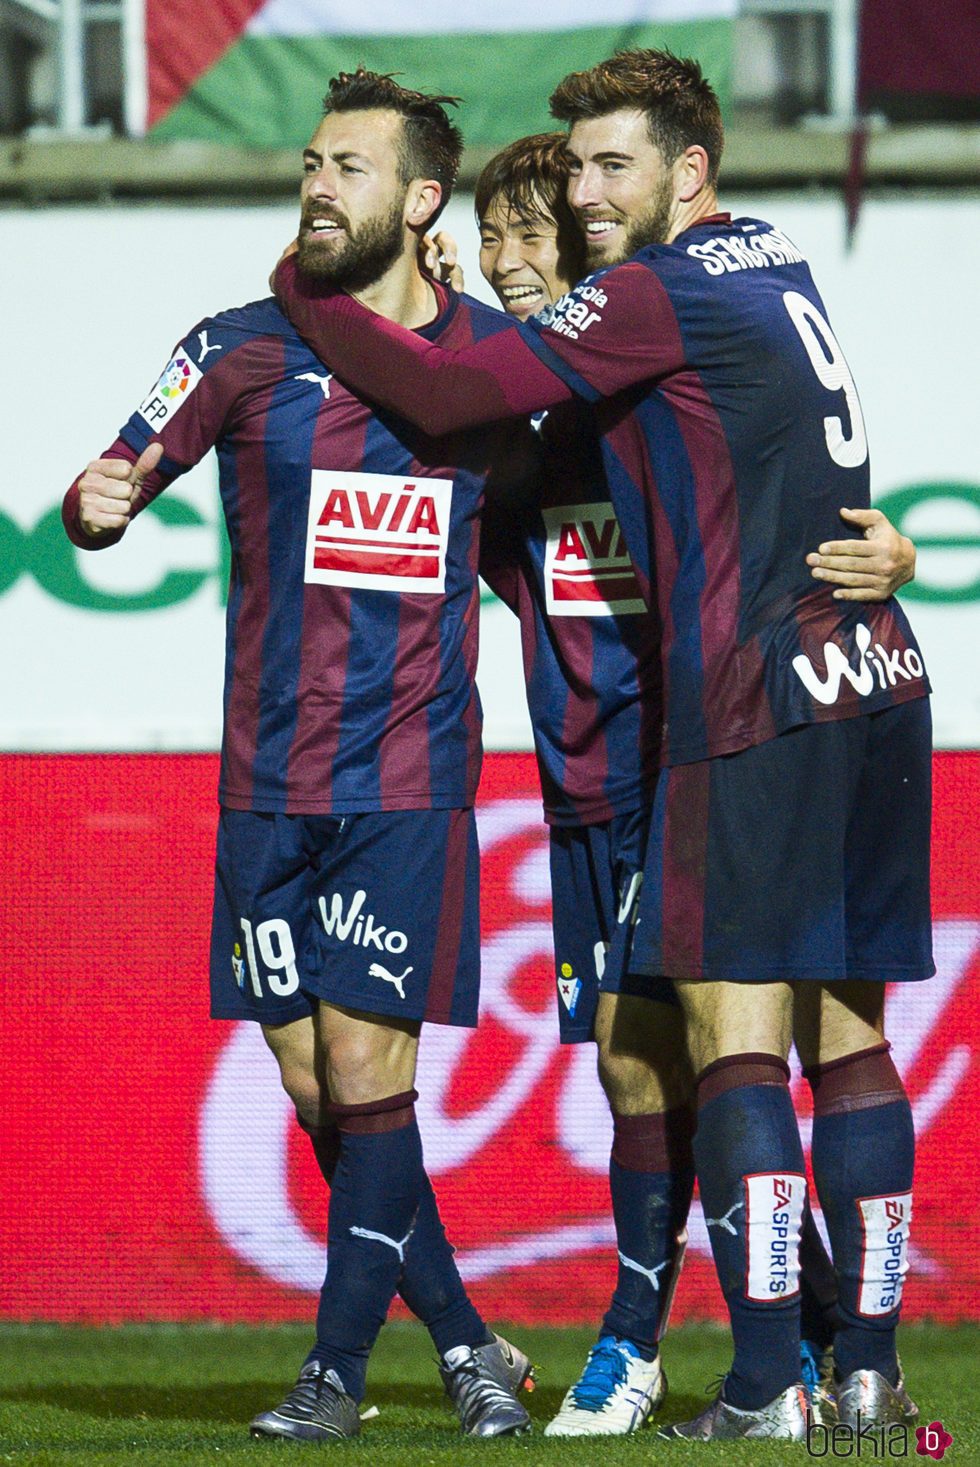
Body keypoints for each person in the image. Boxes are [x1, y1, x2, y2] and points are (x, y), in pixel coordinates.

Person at [271, 50, 933, 1442]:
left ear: (688, 172)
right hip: (870, 668)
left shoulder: (649, 291)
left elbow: (455, 403)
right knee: (851, 1038)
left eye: (609, 167)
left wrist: (309, 295)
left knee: (734, 1044)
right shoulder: (778, 262)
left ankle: (761, 1383)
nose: (582, 195)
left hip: (749, 691)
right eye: (573, 171)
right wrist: (898, 542)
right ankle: (864, 1366)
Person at [61, 68, 537, 1443]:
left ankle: (332, 1376)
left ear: (422, 199)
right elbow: (120, 468)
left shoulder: (493, 365)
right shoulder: (236, 344)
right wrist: (99, 503)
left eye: (350, 166)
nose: (319, 184)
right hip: (266, 777)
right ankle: (466, 1345)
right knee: (324, 1086)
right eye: (313, 162)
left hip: (408, 770)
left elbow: (573, 526)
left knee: (370, 1074)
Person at [456, 131, 915, 1438]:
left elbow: (799, 512)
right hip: (588, 787)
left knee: (694, 1056)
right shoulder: (531, 439)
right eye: (492, 244)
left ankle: (663, 1343)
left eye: (531, 233)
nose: (511, 262)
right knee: (660, 1064)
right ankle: (825, 1348)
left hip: (708, 761)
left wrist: (902, 554)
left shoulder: (655, 381)